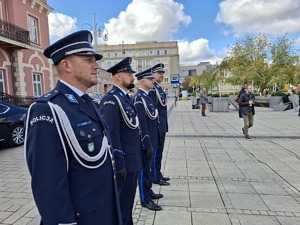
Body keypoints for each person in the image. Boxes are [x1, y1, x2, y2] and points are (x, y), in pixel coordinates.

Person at [24, 30, 121, 225]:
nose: (96, 66)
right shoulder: (47, 110)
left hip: (104, 211)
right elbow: (48, 184)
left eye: (95, 60)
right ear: (66, 65)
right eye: (88, 60)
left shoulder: (88, 102)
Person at [99, 57, 143, 225]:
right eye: (129, 74)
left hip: (132, 160)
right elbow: (112, 135)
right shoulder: (111, 99)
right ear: (118, 76)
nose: (133, 78)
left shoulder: (125, 97)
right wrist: (119, 164)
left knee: (128, 204)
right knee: (121, 206)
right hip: (124, 163)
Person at [133, 68, 163, 211]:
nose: (153, 81)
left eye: (153, 78)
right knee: (144, 170)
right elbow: (142, 123)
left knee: (149, 168)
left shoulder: (147, 96)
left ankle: (149, 190)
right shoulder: (139, 98)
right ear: (142, 81)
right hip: (146, 141)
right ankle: (144, 199)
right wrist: (146, 142)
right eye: (150, 79)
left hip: (152, 139)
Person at [149, 63, 170, 186]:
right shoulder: (153, 89)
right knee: (156, 154)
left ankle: (158, 173)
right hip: (157, 127)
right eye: (159, 73)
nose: (161, 75)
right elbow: (152, 110)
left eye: (162, 73)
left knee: (160, 153)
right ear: (153, 74)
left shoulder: (159, 88)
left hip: (162, 126)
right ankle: (155, 176)